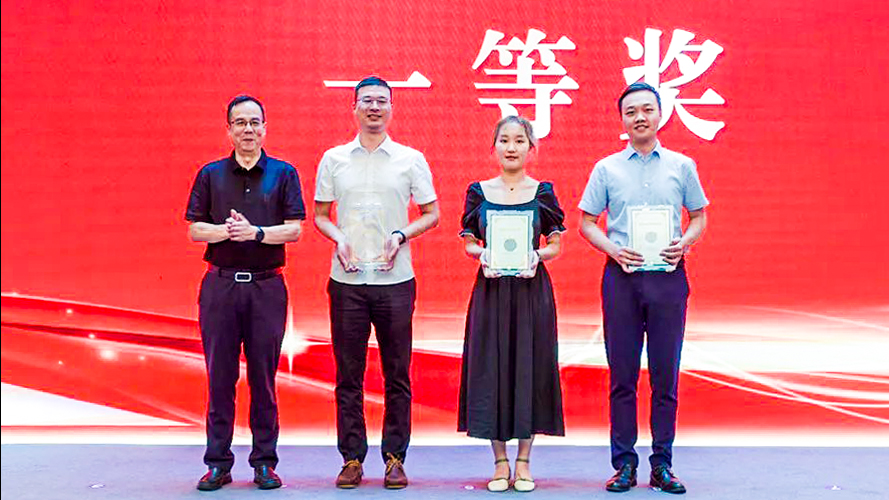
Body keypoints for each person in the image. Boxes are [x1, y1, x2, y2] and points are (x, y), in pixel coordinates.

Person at [578, 82, 709, 494]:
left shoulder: (682, 166)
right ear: (622, 120)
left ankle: (662, 464)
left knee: (665, 376)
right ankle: (624, 464)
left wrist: (684, 242)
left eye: (647, 109)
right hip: (622, 280)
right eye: (631, 111)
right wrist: (613, 250)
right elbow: (586, 223)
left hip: (668, 278)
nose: (639, 117)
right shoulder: (606, 169)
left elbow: (699, 217)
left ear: (660, 115)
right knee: (623, 376)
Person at [313, 76, 439, 489]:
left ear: (391, 108)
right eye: (366, 100)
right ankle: (351, 458)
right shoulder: (334, 159)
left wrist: (401, 234)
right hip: (347, 281)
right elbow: (320, 215)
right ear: (353, 107)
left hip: (395, 280)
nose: (374, 107)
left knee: (397, 374)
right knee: (348, 375)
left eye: (381, 101)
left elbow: (432, 213)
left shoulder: (410, 159)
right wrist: (338, 238)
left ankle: (394, 458)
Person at [185, 95, 306, 491]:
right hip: (219, 287)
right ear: (229, 130)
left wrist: (255, 233)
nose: (248, 129)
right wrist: (226, 231)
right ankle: (218, 463)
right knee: (219, 378)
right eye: (240, 123)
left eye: (255, 122)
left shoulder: (283, 174)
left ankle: (264, 463)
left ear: (265, 128)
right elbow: (195, 229)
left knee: (263, 379)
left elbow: (294, 229)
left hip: (266, 287)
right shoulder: (211, 174)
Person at [458, 115, 565, 493]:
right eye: (504, 140)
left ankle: (524, 461)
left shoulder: (543, 193)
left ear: (531, 148)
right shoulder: (478, 192)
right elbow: (469, 243)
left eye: (520, 140)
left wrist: (538, 256)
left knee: (528, 369)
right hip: (491, 291)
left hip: (531, 292)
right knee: (492, 369)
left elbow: (555, 244)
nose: (511, 147)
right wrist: (482, 254)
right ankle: (500, 461)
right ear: (494, 147)